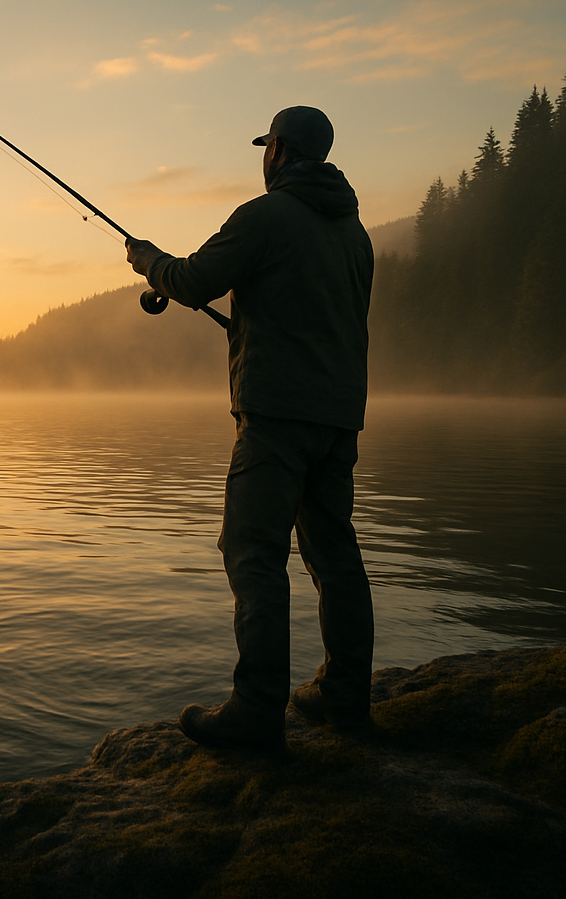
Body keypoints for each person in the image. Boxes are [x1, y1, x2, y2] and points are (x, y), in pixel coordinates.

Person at [125, 105, 374, 754]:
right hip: (338, 417)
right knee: (335, 557)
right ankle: (345, 698)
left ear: (280, 151)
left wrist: (149, 261)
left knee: (253, 555)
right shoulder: (354, 233)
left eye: (267, 147)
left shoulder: (266, 216)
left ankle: (257, 713)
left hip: (276, 416)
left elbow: (193, 280)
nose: (264, 158)